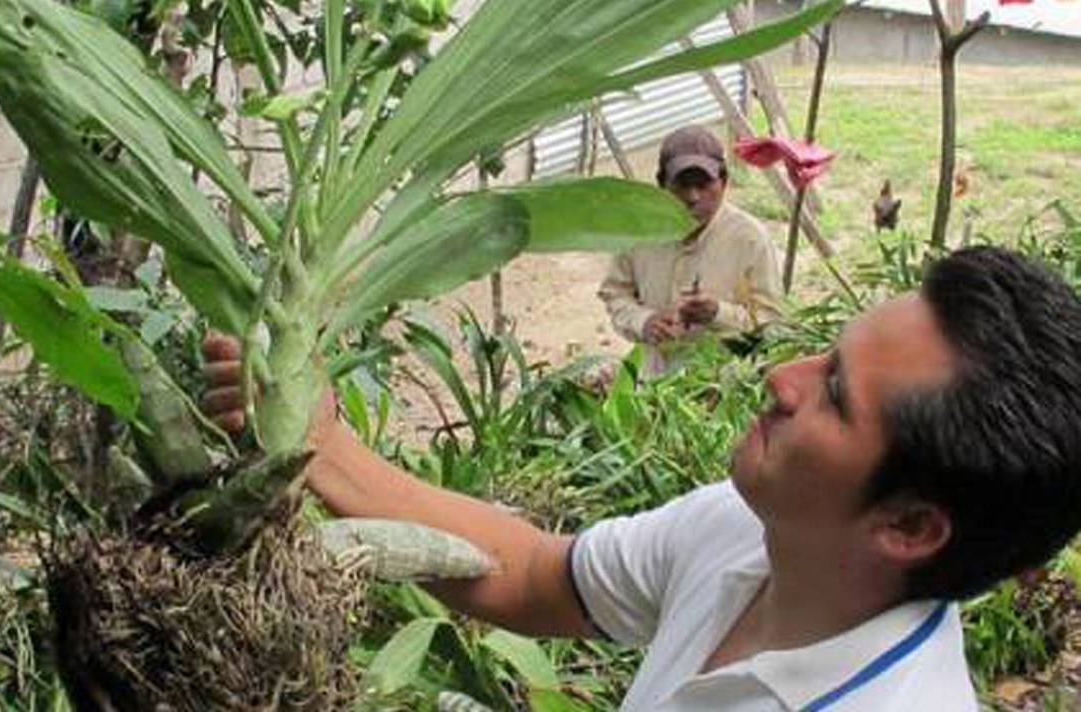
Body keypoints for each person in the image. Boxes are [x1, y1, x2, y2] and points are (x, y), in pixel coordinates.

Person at [203, 247, 1081, 710]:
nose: (784, 377)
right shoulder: (754, 534)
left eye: (837, 394)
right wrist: (319, 442)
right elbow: (535, 574)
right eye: (828, 347)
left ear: (910, 527)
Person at [597, 124, 782, 375]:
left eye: (704, 184)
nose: (693, 196)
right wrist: (644, 321)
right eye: (682, 185)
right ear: (661, 184)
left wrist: (718, 314)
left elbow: (772, 322)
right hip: (655, 383)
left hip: (726, 386)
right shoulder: (640, 233)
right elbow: (615, 293)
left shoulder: (750, 239)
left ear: (724, 182)